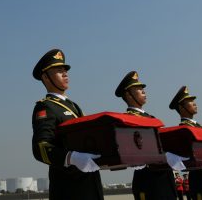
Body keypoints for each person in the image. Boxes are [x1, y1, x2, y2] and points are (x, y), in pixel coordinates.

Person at [31, 49, 104, 200]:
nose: (65, 74)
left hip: (89, 186)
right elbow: (41, 147)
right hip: (69, 189)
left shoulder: (73, 106)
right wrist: (71, 158)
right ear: (45, 77)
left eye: (65, 70)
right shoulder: (46, 107)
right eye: (59, 71)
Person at [115, 71, 176, 200]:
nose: (143, 91)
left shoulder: (151, 118)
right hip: (148, 178)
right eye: (138, 89)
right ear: (128, 95)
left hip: (165, 177)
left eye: (143, 88)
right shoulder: (127, 119)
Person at [169, 86, 202, 200]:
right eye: (190, 102)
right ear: (181, 107)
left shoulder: (201, 128)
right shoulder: (183, 130)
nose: (195, 104)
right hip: (200, 179)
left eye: (194, 101)